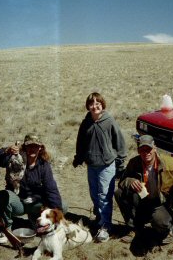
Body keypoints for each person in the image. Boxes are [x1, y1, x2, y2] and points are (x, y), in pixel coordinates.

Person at [115, 134, 173, 245]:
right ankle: (134, 228)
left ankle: (168, 229)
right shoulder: (134, 163)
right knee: (119, 193)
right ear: (138, 151)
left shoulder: (170, 163)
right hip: (144, 202)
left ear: (155, 148)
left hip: (164, 204)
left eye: (149, 149)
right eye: (142, 150)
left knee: (159, 221)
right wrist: (130, 181)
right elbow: (122, 182)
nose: (146, 153)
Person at [0, 133, 66, 244]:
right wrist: (6, 150)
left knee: (62, 206)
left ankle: (36, 219)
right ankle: (6, 228)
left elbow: (51, 189)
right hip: (17, 201)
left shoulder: (44, 165)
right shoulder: (14, 158)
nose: (32, 149)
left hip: (36, 203)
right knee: (1, 196)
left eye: (35, 146)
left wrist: (58, 216)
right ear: (24, 147)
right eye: (29, 146)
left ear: (40, 148)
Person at [73, 92, 127, 243]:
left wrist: (120, 163)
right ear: (88, 106)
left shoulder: (109, 121)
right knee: (94, 194)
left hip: (107, 165)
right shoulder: (86, 123)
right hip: (91, 165)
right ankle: (99, 218)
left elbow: (120, 142)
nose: (95, 106)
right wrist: (78, 157)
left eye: (98, 103)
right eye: (91, 103)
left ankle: (105, 227)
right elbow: (81, 142)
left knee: (104, 196)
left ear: (102, 105)